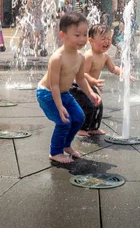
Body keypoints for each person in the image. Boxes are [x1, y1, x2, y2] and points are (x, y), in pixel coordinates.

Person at [36, 12, 101, 164]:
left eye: (85, 34)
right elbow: (54, 85)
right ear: (63, 35)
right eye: (77, 35)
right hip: (47, 93)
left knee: (79, 117)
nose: (82, 39)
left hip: (63, 92)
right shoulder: (57, 58)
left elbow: (79, 79)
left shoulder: (80, 57)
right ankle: (55, 152)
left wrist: (91, 93)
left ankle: (66, 145)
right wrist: (59, 106)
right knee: (64, 121)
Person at [71, 24, 135, 137]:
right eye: (103, 39)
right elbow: (82, 74)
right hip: (78, 87)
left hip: (90, 86)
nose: (107, 42)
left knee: (98, 105)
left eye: (109, 39)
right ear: (91, 41)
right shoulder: (89, 56)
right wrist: (93, 81)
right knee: (87, 107)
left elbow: (113, 68)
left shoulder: (105, 56)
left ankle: (93, 128)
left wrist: (124, 73)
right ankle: (79, 128)